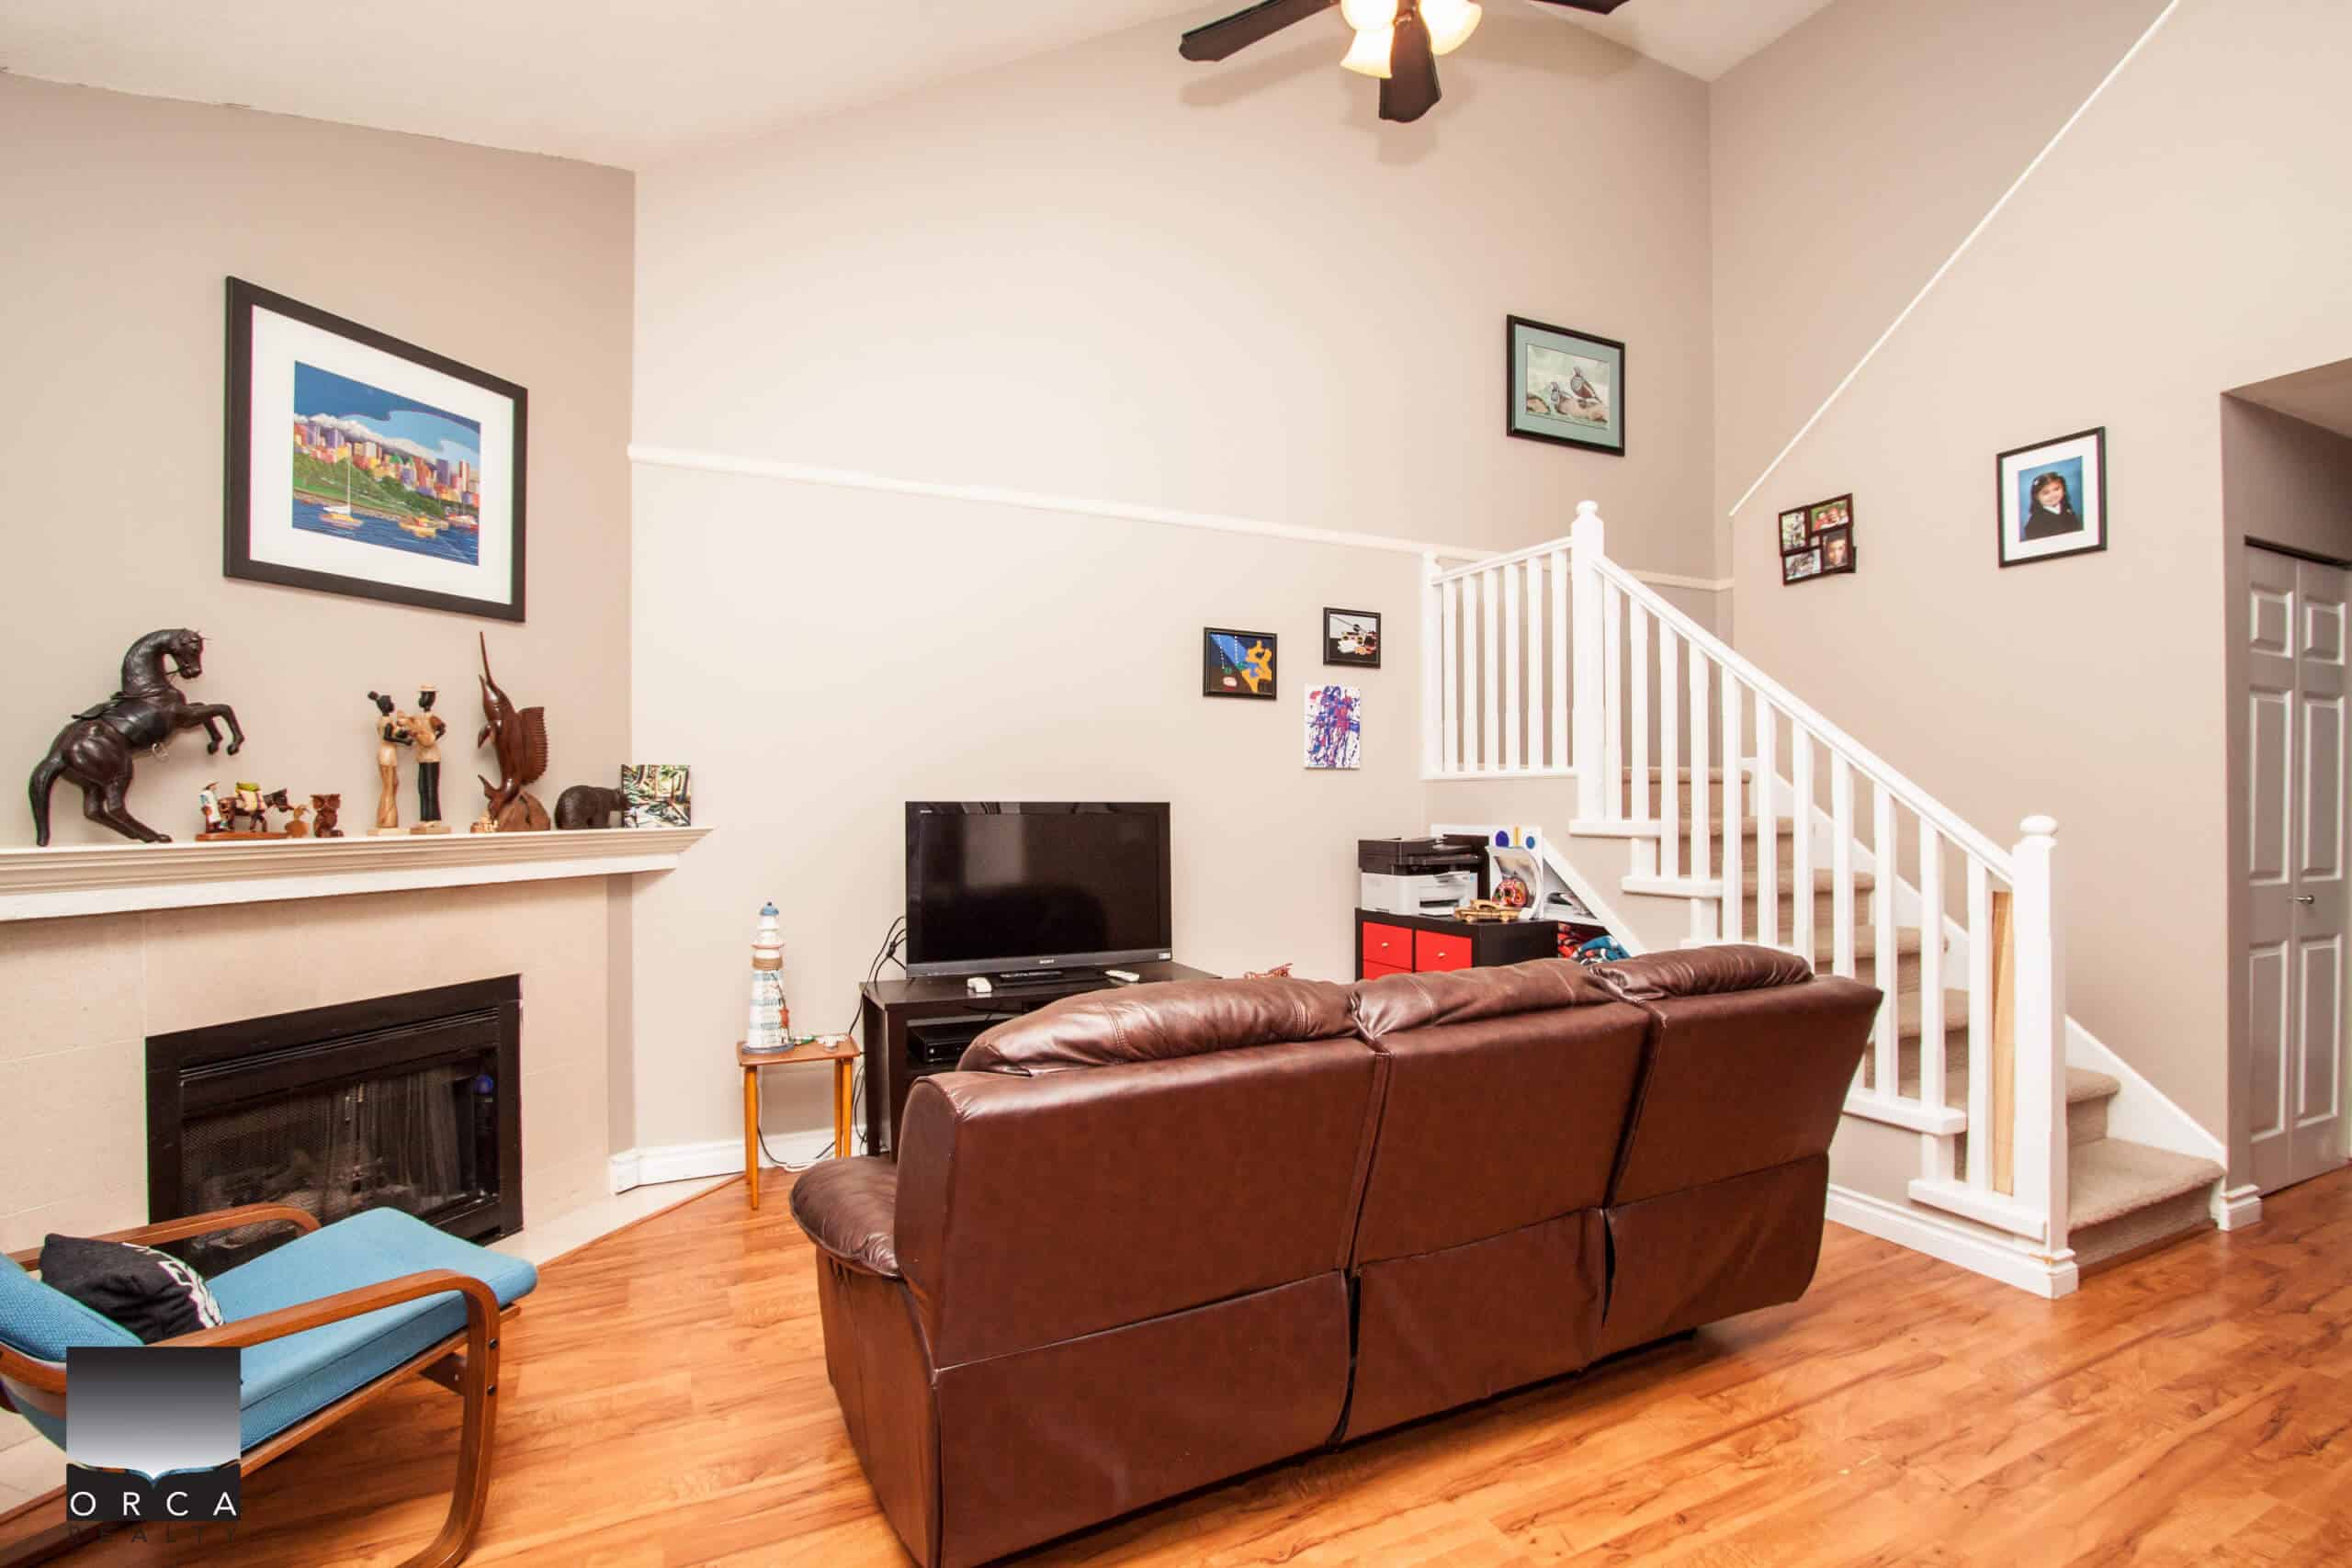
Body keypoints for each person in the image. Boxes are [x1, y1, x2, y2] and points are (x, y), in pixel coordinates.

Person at [2019, 469, 2084, 542]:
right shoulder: (2034, 524)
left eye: (2056, 489)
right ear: (2036, 497)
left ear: (2064, 489)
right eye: (2046, 493)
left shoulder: (2067, 509)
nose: (2053, 495)